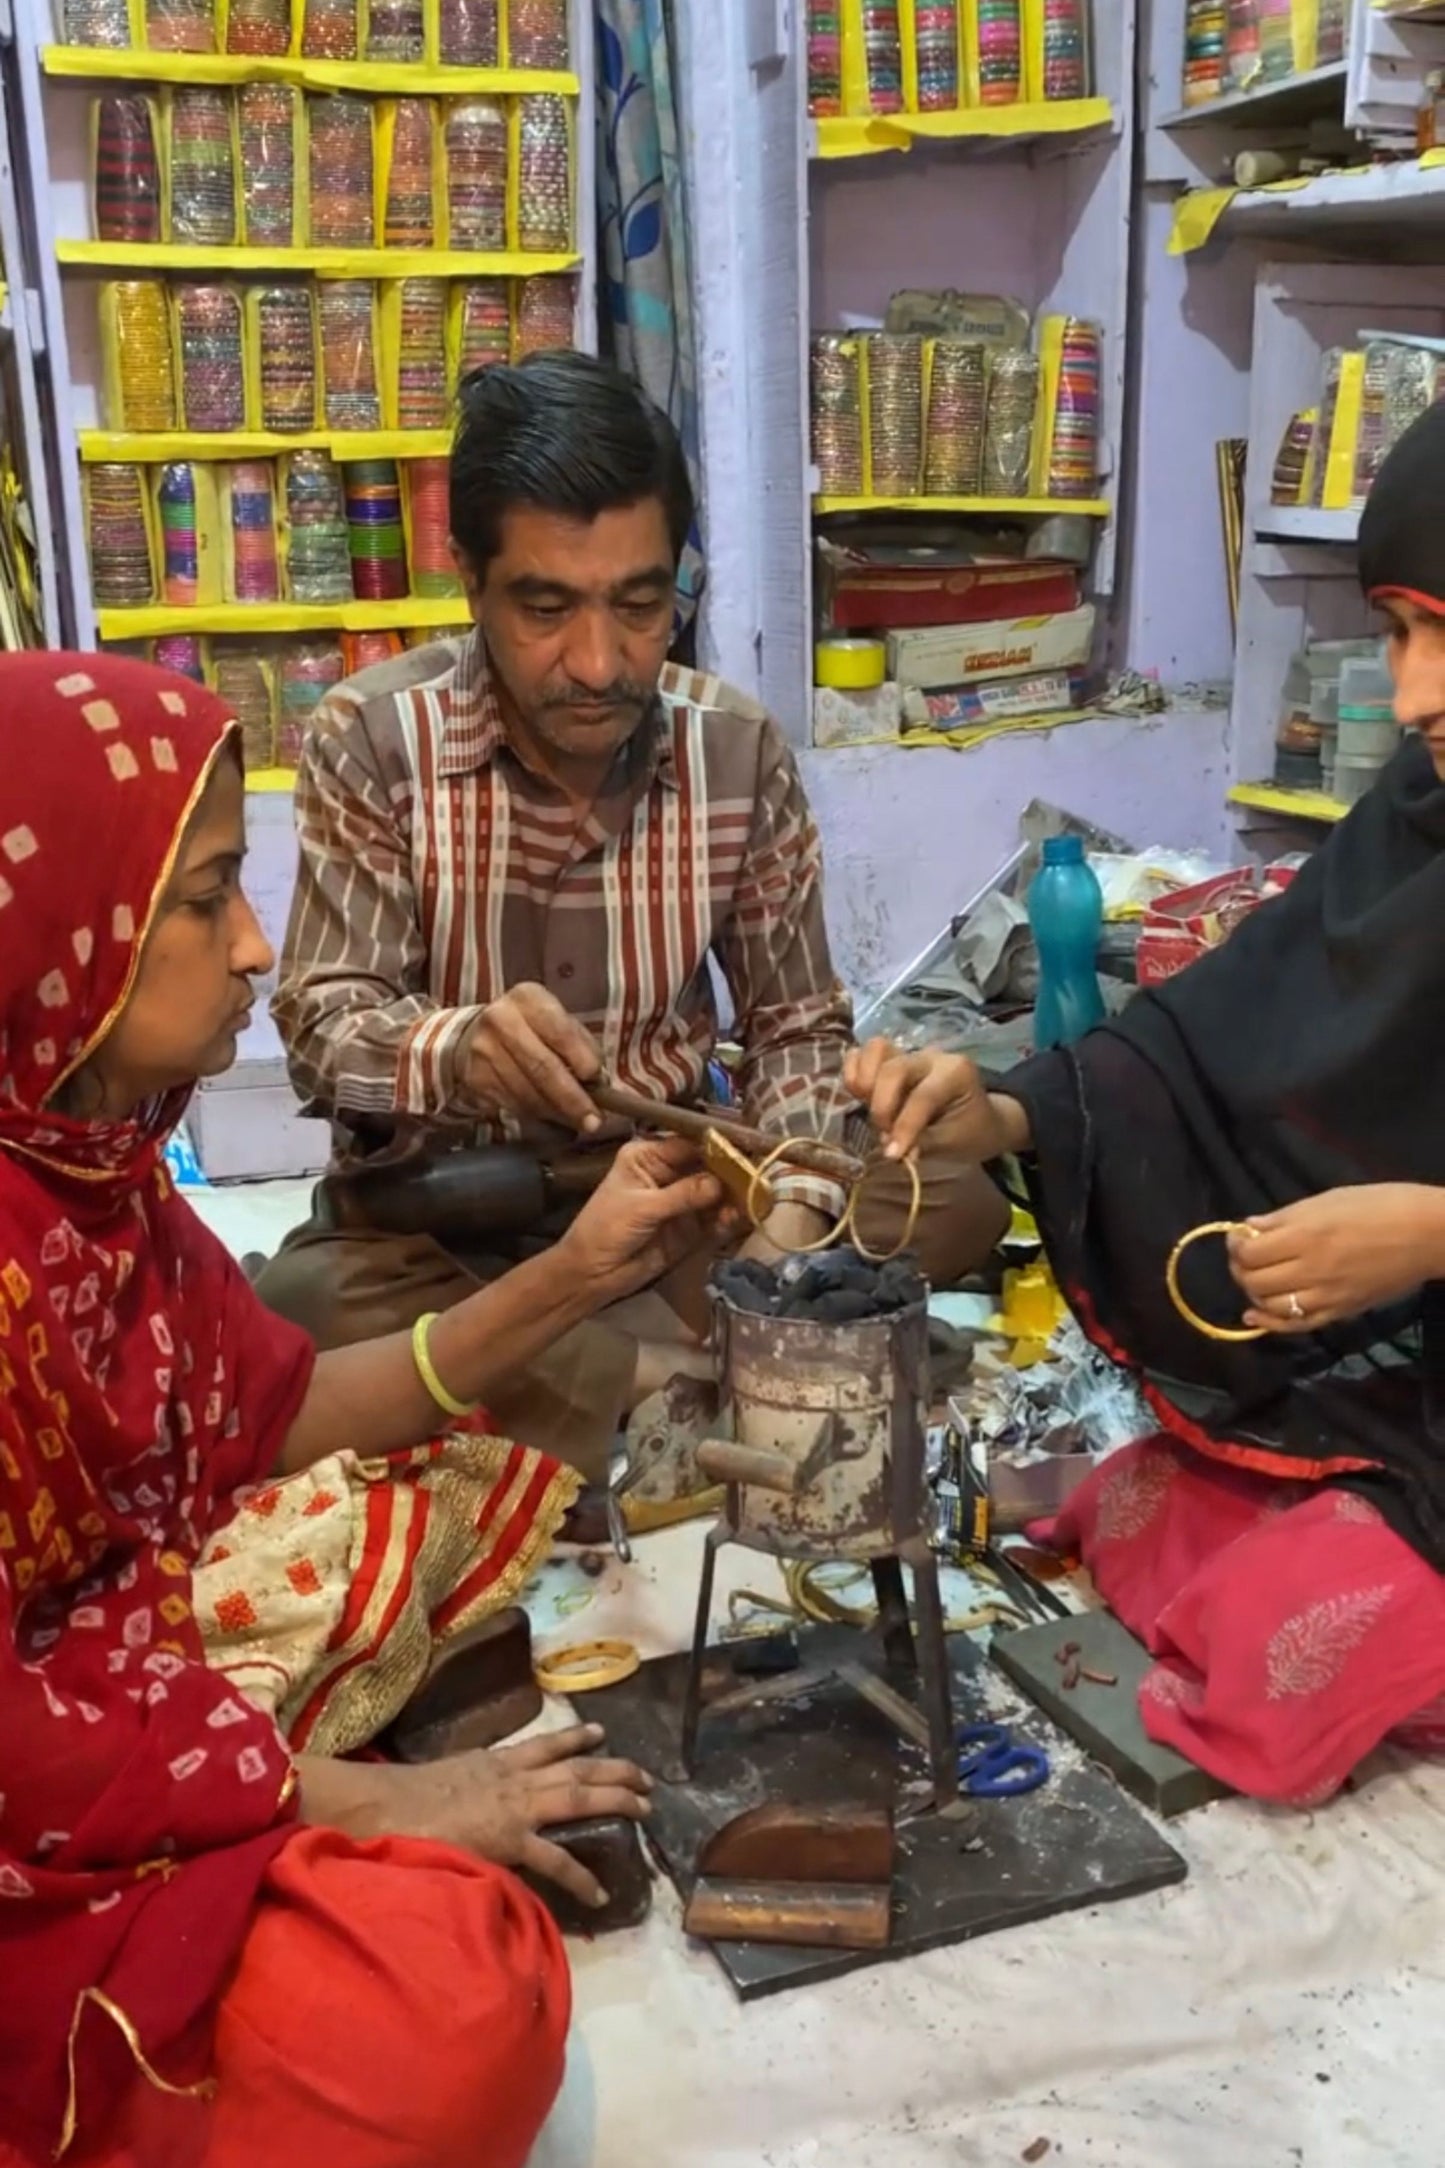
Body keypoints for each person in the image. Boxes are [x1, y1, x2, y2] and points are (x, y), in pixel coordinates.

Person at [0, 653, 730, 2168]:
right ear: (56, 926)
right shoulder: (381, 753)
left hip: (125, 1675)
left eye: (638, 605)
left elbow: (260, 1419)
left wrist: (584, 1273)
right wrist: (372, 1810)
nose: (251, 946)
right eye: (204, 902)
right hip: (40, 1793)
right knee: (455, 2011)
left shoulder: (93, 1176)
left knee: (442, 1482)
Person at [845, 401, 1445, 1811]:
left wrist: (1431, 1231)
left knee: (1267, 1665)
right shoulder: (1422, 815)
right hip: (1421, 1402)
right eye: (1398, 634)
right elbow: (1228, 1039)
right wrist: (1002, 1111)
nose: (1415, 696)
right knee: (1130, 1509)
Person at [257, 351, 1007, 1479]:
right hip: (443, 1222)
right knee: (303, 1301)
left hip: (677, 1203)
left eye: (640, 604)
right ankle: (682, 1383)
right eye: (545, 607)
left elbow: (795, 1027)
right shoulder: (373, 739)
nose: (599, 662)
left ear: (676, 584)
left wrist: (787, 1222)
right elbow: (322, 1031)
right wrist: (457, 1049)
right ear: (469, 578)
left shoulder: (734, 749)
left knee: (952, 1198)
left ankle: (629, 1380)